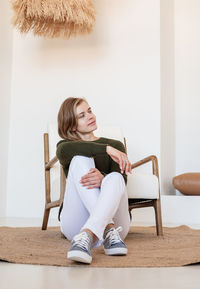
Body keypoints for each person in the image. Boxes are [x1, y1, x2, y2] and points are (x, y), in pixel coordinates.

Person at [56, 97, 132, 264]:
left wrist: (103, 179)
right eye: (82, 115)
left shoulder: (116, 145)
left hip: (117, 228)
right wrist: (106, 149)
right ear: (72, 125)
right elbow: (68, 150)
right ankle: (105, 228)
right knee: (79, 160)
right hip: (76, 223)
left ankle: (90, 234)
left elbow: (121, 183)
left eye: (89, 111)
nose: (90, 116)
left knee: (115, 177)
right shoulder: (65, 147)